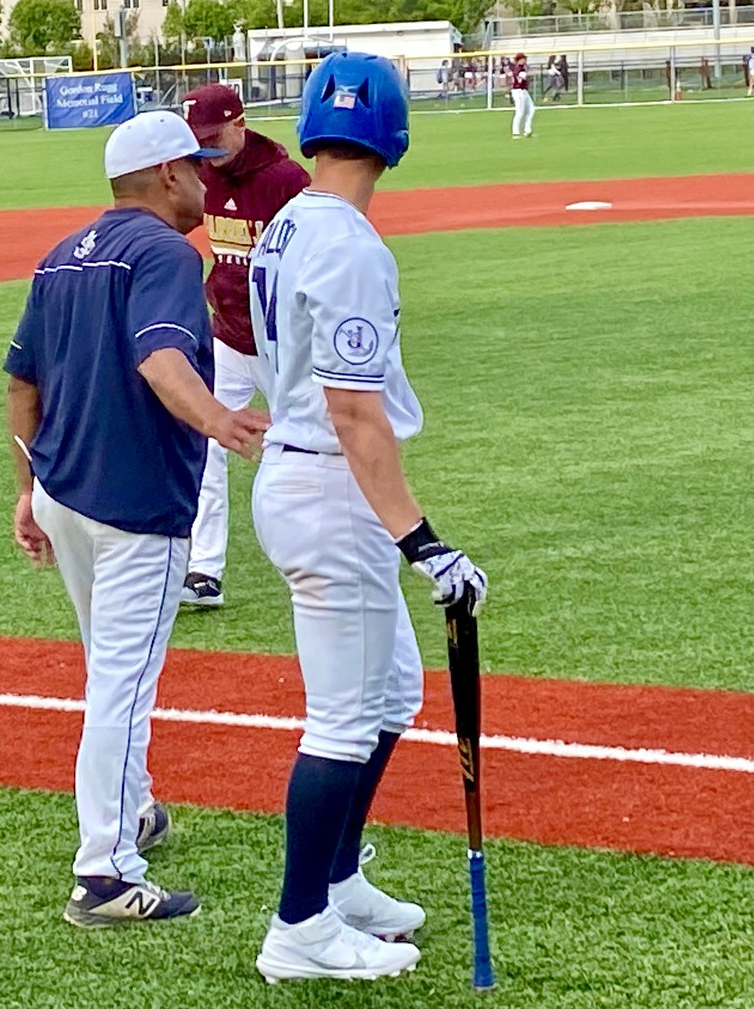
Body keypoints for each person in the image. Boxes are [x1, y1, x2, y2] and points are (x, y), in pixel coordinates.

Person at [248, 52, 488, 983]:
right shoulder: (348, 242)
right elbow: (354, 409)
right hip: (326, 483)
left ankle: (339, 883)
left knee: (390, 695)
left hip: (306, 474)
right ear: (395, 136)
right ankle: (298, 929)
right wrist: (422, 543)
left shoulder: (287, 222)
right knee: (344, 719)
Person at [4, 110, 269, 927]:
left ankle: (135, 809)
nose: (203, 179)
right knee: (122, 683)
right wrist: (217, 420)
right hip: (131, 506)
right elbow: (159, 356)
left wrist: (25, 489)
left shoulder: (60, 257)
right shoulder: (162, 252)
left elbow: (20, 383)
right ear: (165, 176)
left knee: (107, 669)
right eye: (193, 167)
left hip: (64, 492)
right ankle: (106, 874)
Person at [176, 83, 310, 609]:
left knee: (306, 447)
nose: (206, 150)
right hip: (225, 337)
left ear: (240, 122)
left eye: (213, 137)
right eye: (197, 142)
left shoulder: (285, 180)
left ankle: (315, 554)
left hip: (281, 345)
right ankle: (204, 570)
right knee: (207, 445)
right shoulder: (201, 172)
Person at [510, 51, 535, 137]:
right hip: (518, 91)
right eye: (523, 58)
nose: (524, 60)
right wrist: (529, 74)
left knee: (531, 109)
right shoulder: (519, 68)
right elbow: (525, 77)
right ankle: (515, 132)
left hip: (523, 91)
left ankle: (527, 130)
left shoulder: (522, 68)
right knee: (520, 111)